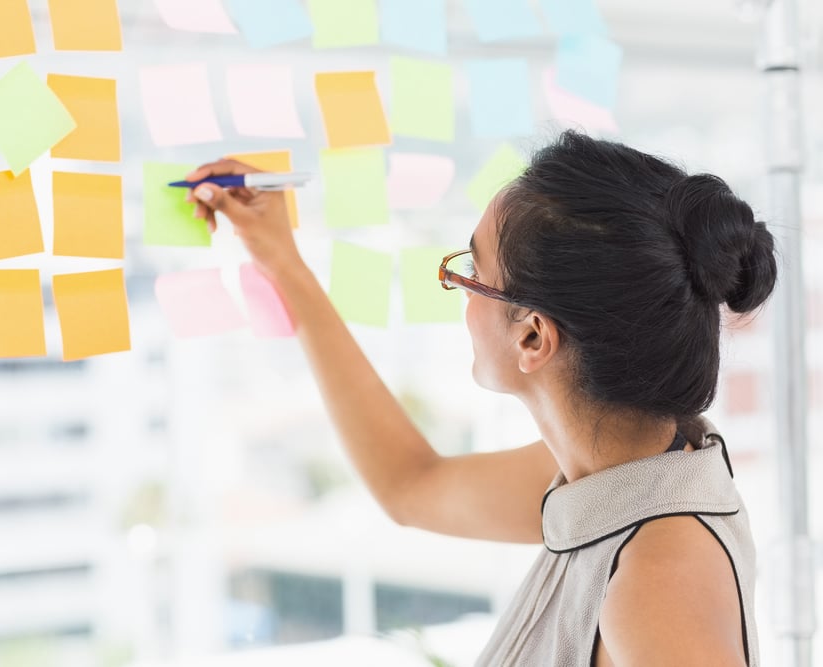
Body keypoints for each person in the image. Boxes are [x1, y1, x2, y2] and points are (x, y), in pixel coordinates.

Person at [183, 130, 776, 666]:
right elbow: (410, 485)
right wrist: (281, 258)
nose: (459, 294)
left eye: (470, 273)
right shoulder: (615, 476)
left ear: (532, 335)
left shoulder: (659, 576)